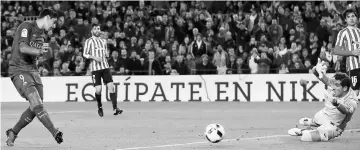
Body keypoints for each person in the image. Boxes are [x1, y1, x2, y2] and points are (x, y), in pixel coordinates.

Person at [5, 8, 63, 146]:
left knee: (36, 106)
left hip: (33, 71)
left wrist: (41, 56)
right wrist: (38, 51)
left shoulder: (42, 35)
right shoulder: (26, 26)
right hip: (19, 69)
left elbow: (34, 54)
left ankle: (13, 132)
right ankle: (54, 132)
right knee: (36, 102)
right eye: (53, 22)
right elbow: (23, 48)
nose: (54, 26)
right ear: (47, 17)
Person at [288, 58, 358, 142]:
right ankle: (312, 122)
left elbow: (348, 111)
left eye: (336, 85)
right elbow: (323, 78)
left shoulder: (352, 99)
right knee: (308, 120)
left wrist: (337, 104)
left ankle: (304, 131)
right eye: (334, 84)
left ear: (345, 88)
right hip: (324, 114)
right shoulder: (337, 83)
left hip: (334, 126)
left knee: (306, 138)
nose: (333, 87)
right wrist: (316, 69)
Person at [83, 24, 123, 117]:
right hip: (95, 69)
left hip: (105, 67)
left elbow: (105, 53)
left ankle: (115, 108)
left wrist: (107, 54)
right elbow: (85, 54)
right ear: (92, 31)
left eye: (98, 28)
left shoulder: (103, 41)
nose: (97, 30)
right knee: (98, 89)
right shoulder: (89, 41)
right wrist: (94, 57)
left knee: (111, 87)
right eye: (95, 29)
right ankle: (100, 107)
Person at [333, 8, 360, 97]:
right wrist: (351, 52)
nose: (351, 18)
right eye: (348, 17)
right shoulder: (343, 32)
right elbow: (336, 50)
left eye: (353, 16)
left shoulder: (359, 31)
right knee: (355, 91)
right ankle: (346, 109)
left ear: (357, 18)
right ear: (345, 20)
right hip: (353, 66)